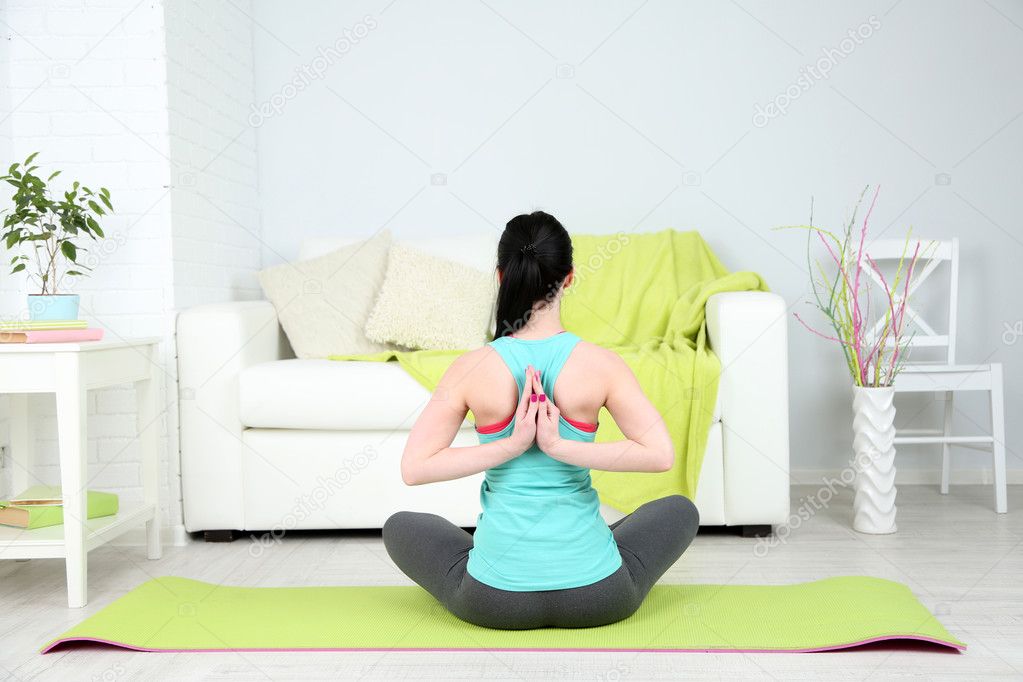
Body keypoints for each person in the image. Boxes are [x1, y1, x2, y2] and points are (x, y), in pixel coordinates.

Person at [383, 211, 699, 629]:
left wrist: (511, 445)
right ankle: (584, 549)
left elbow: (414, 468)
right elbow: (660, 455)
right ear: (568, 278)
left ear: (500, 276)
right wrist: (561, 446)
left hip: (494, 603)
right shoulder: (602, 365)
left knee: (400, 526)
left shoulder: (470, 368)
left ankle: (510, 557)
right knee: (679, 510)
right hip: (600, 597)